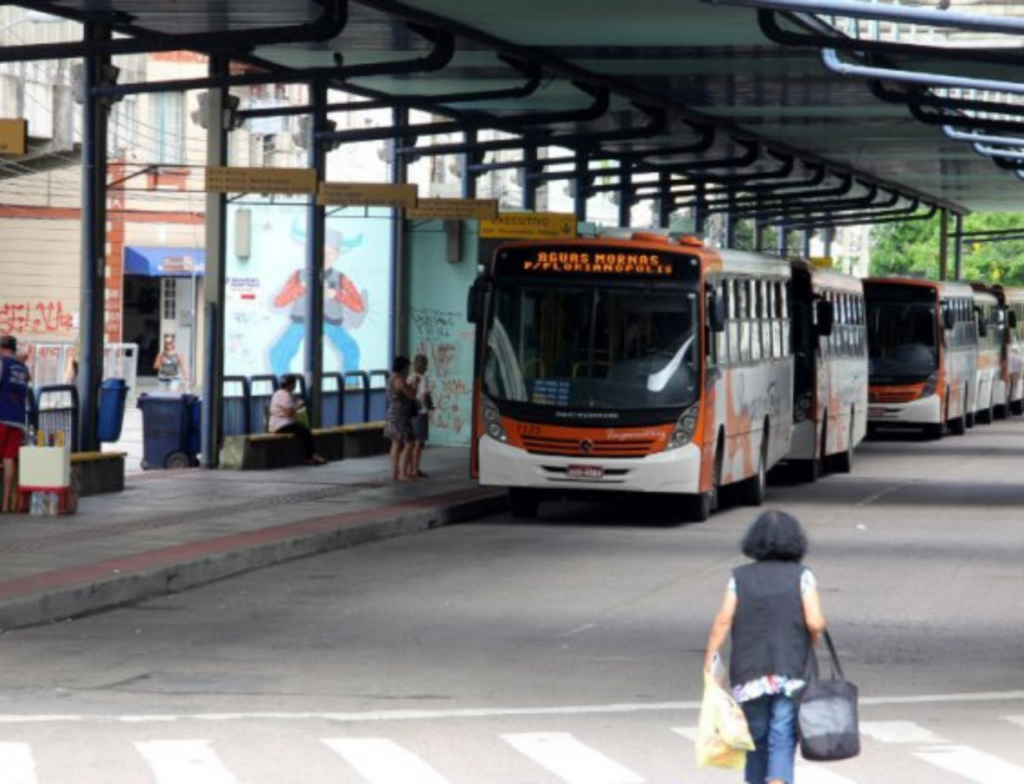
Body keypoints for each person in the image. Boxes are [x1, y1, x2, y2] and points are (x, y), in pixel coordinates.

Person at [704, 510, 828, 784]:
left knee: (755, 735)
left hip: (749, 671)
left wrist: (710, 657)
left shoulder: (740, 577)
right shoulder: (802, 576)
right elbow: (815, 621)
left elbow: (723, 619)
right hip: (790, 669)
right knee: (783, 734)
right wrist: (813, 637)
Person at [0, 335, 30, 513]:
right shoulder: (22, 368)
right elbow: (28, 378)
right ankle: (5, 504)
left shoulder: (3, 363)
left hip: (2, 416)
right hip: (18, 419)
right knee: (8, 459)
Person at [268, 374, 326, 466]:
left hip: (277, 424)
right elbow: (290, 412)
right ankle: (311, 456)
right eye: (294, 384)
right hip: (280, 425)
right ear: (291, 385)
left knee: (303, 430)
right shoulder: (284, 395)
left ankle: (311, 455)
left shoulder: (278, 393)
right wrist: (299, 404)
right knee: (305, 431)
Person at [384, 355, 418, 481]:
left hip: (392, 414)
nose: (408, 369)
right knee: (410, 442)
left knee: (396, 443)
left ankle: (394, 473)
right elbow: (412, 395)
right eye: (407, 366)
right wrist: (415, 385)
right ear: (404, 367)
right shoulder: (400, 380)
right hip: (401, 416)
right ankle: (403, 473)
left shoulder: (390, 378)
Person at [407, 354, 435, 479]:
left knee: (411, 443)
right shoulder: (422, 378)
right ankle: (415, 469)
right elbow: (424, 396)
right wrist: (428, 407)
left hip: (410, 412)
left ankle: (408, 469)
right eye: (426, 364)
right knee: (418, 443)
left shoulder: (409, 377)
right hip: (420, 413)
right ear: (424, 365)